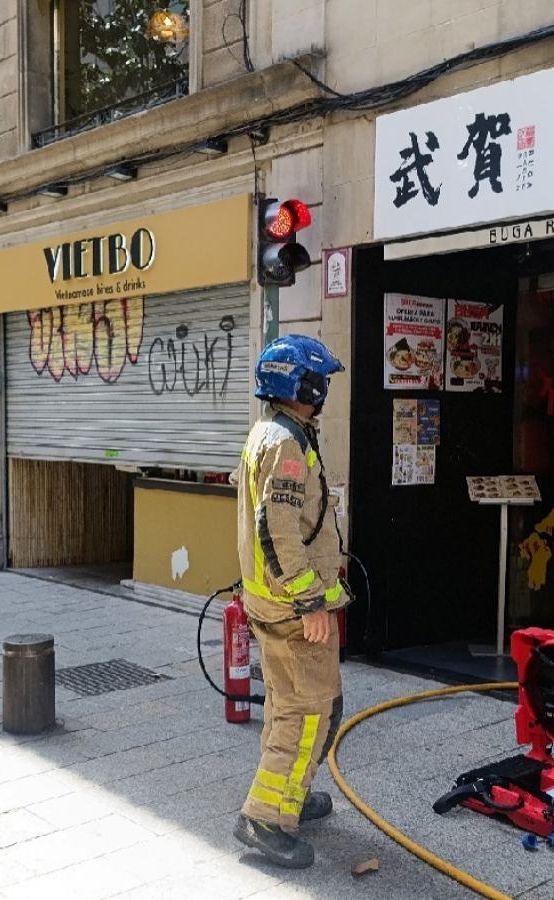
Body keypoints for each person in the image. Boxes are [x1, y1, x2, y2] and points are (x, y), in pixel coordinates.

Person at [232, 334, 350, 868]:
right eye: (317, 381)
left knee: (291, 706)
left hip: (274, 603)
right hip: (292, 608)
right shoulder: (284, 442)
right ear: (295, 384)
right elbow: (277, 531)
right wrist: (311, 601)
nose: (323, 390)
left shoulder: (276, 432)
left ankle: (289, 798)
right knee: (306, 715)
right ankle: (263, 817)